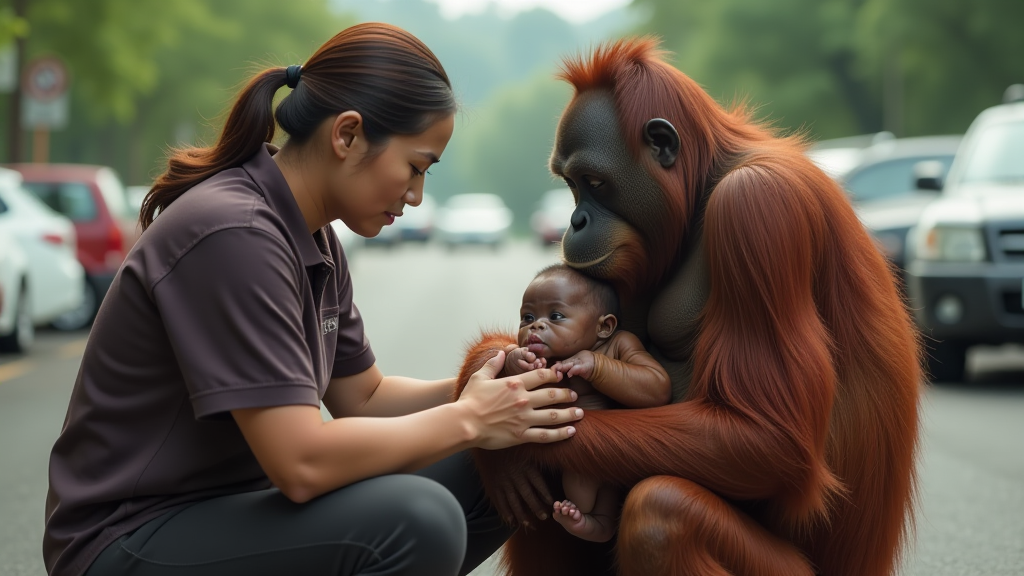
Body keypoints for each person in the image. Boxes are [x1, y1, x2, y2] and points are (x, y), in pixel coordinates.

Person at [42, 23, 584, 576]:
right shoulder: (234, 232)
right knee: (418, 519)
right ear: (347, 135)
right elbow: (301, 463)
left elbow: (365, 397)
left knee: (510, 457)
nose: (417, 195)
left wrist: (500, 389)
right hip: (128, 539)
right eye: (415, 167)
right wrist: (469, 419)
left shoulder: (311, 234)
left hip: (228, 512)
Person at [502, 264, 671, 543]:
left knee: (585, 479)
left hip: (613, 445)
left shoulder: (617, 345)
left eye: (555, 316)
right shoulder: (536, 357)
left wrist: (599, 368)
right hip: (563, 451)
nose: (536, 325)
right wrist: (511, 362)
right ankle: (595, 524)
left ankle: (599, 522)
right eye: (527, 317)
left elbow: (657, 388)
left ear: (604, 327)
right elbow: (503, 385)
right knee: (579, 487)